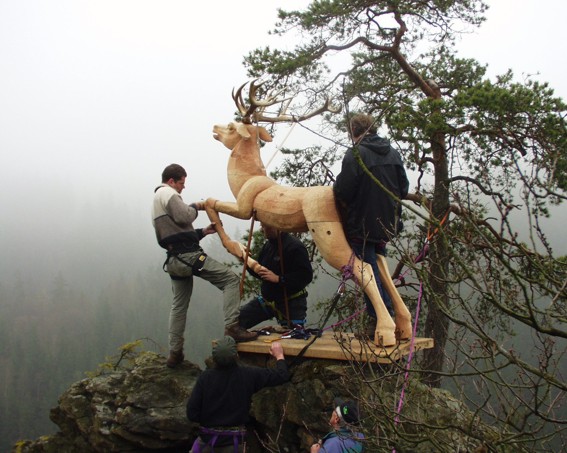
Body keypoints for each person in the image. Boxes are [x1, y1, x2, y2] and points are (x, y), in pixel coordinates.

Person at [152, 163, 257, 368]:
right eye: (182, 183)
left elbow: (175, 230)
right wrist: (196, 206)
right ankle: (232, 328)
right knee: (230, 280)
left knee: (179, 306)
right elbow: (184, 216)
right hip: (189, 257)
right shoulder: (167, 193)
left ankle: (175, 353)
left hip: (174, 260)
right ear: (172, 181)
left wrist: (201, 232)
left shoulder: (157, 201)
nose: (183, 187)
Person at [333, 114, 409, 335]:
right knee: (377, 267)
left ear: (353, 131)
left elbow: (343, 190)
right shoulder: (393, 153)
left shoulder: (355, 153)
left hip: (362, 224)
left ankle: (381, 319)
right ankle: (390, 318)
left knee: (365, 272)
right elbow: (403, 189)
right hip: (387, 223)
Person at [187, 337, 290, 452]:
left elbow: (192, 413)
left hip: (206, 442)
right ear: (236, 356)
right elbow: (282, 375)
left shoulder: (205, 378)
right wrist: (279, 355)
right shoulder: (248, 375)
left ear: (214, 358)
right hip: (234, 443)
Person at [238, 222, 314, 330]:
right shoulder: (268, 246)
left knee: (293, 339)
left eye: (264, 226)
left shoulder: (295, 246)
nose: (262, 230)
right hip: (268, 301)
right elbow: (261, 273)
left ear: (275, 226)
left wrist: (279, 279)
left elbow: (305, 276)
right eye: (262, 226)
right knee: (237, 321)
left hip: (291, 303)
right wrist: (246, 262)